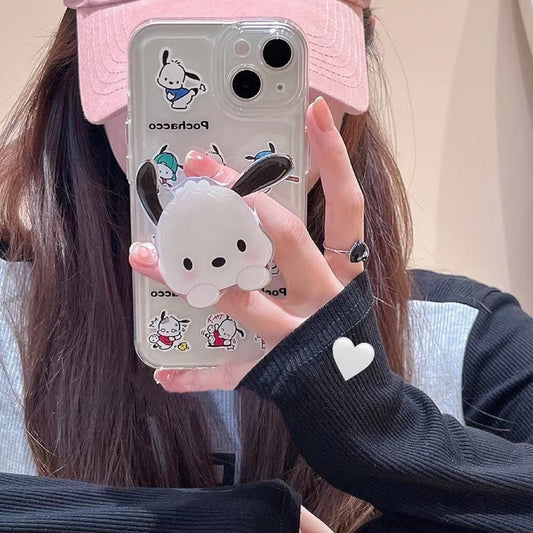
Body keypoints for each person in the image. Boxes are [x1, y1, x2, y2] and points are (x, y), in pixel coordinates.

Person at [0, 1, 532, 532]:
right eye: (179, 43)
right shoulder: (9, 324)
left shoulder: (466, 337)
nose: (213, 119)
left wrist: (381, 426)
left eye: (271, 60)